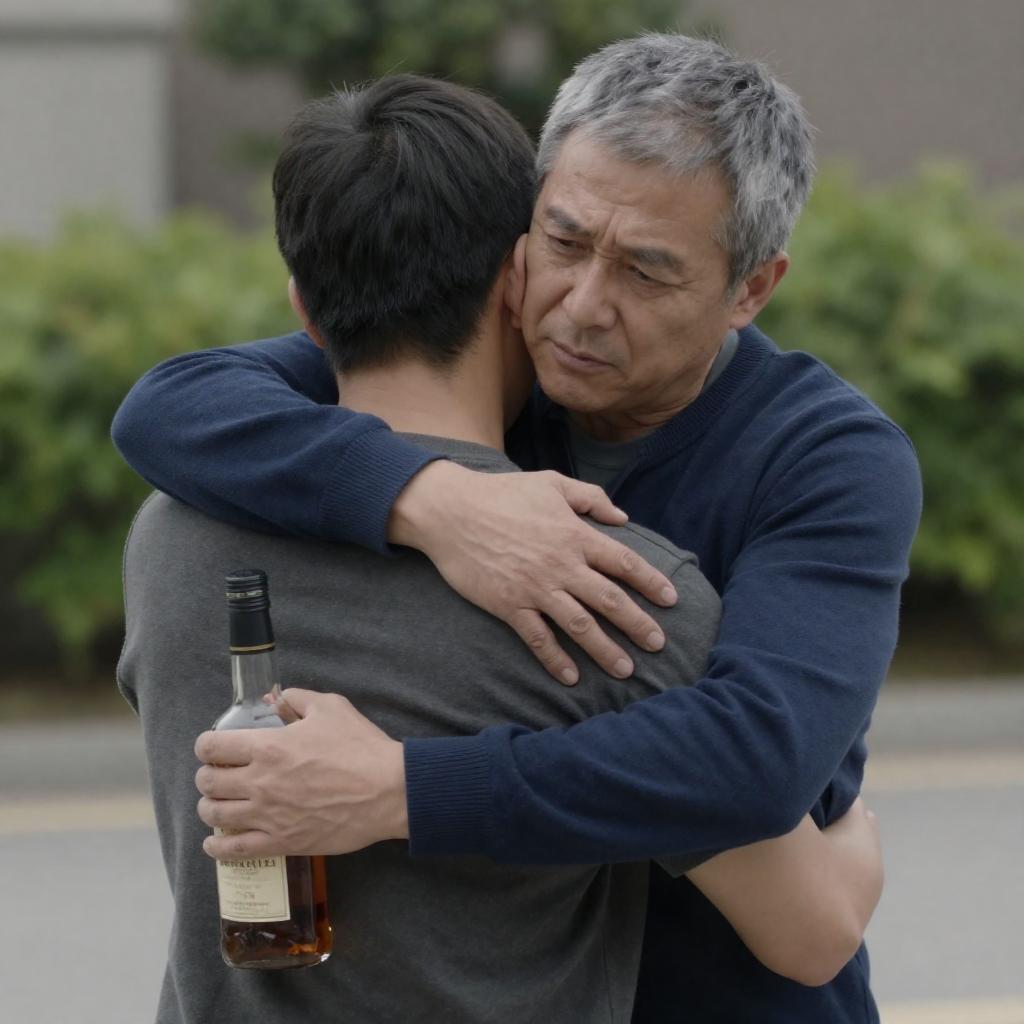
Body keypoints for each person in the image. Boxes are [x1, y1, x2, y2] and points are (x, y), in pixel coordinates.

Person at [113, 36, 921, 1023]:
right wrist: (430, 499)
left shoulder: (828, 458)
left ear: (749, 289)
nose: (582, 307)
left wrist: (402, 788)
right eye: (565, 243)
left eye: (646, 273)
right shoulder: (499, 357)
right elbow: (168, 406)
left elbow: (754, 759)